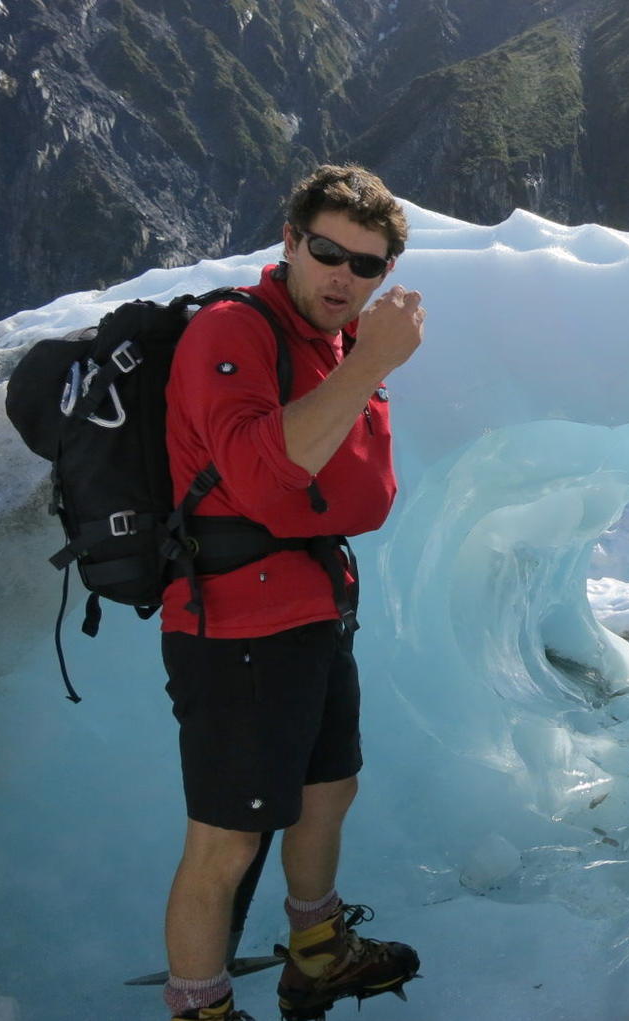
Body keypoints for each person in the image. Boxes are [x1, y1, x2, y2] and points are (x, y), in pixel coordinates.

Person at [158, 164, 425, 1021]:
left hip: (312, 606)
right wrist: (375, 361)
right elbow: (266, 470)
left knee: (325, 793)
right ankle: (201, 1009)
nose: (344, 276)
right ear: (289, 242)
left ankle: (316, 953)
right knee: (227, 838)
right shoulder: (232, 331)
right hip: (234, 621)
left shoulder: (330, 347)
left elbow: (360, 491)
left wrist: (360, 364)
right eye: (327, 251)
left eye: (367, 264)